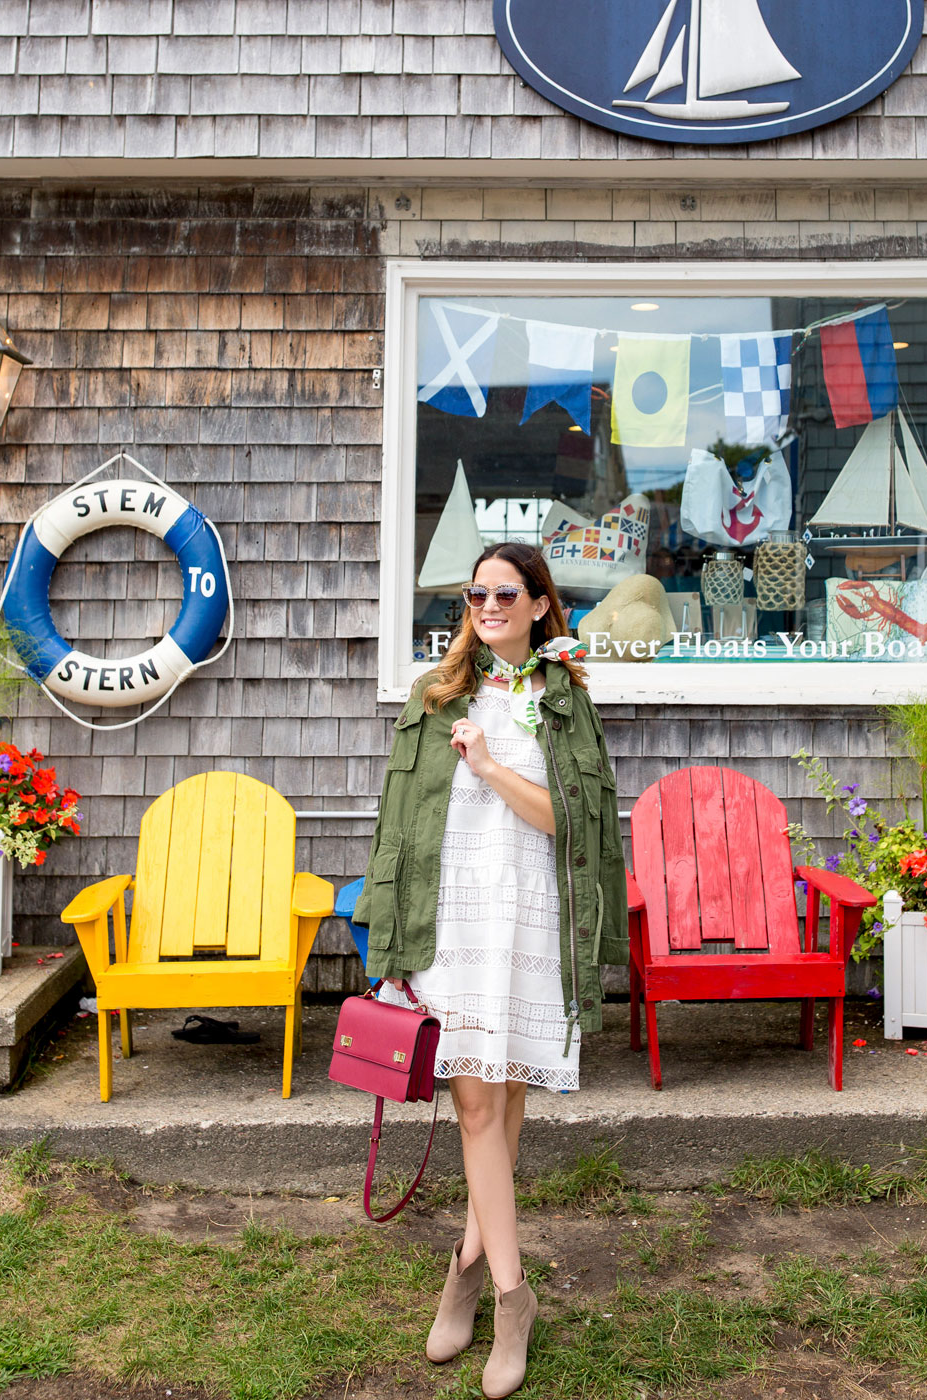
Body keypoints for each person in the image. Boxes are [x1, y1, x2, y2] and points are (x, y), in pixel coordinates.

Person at [353, 542, 627, 1399]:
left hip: (528, 919)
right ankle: (513, 1297)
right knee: (474, 1099)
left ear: (542, 604)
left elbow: (570, 824)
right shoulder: (437, 697)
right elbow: (397, 827)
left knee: (504, 1096)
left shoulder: (564, 702)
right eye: (476, 593)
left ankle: (465, 1267)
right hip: (453, 922)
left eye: (505, 593)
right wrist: (391, 944)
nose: (488, 605)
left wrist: (492, 766)